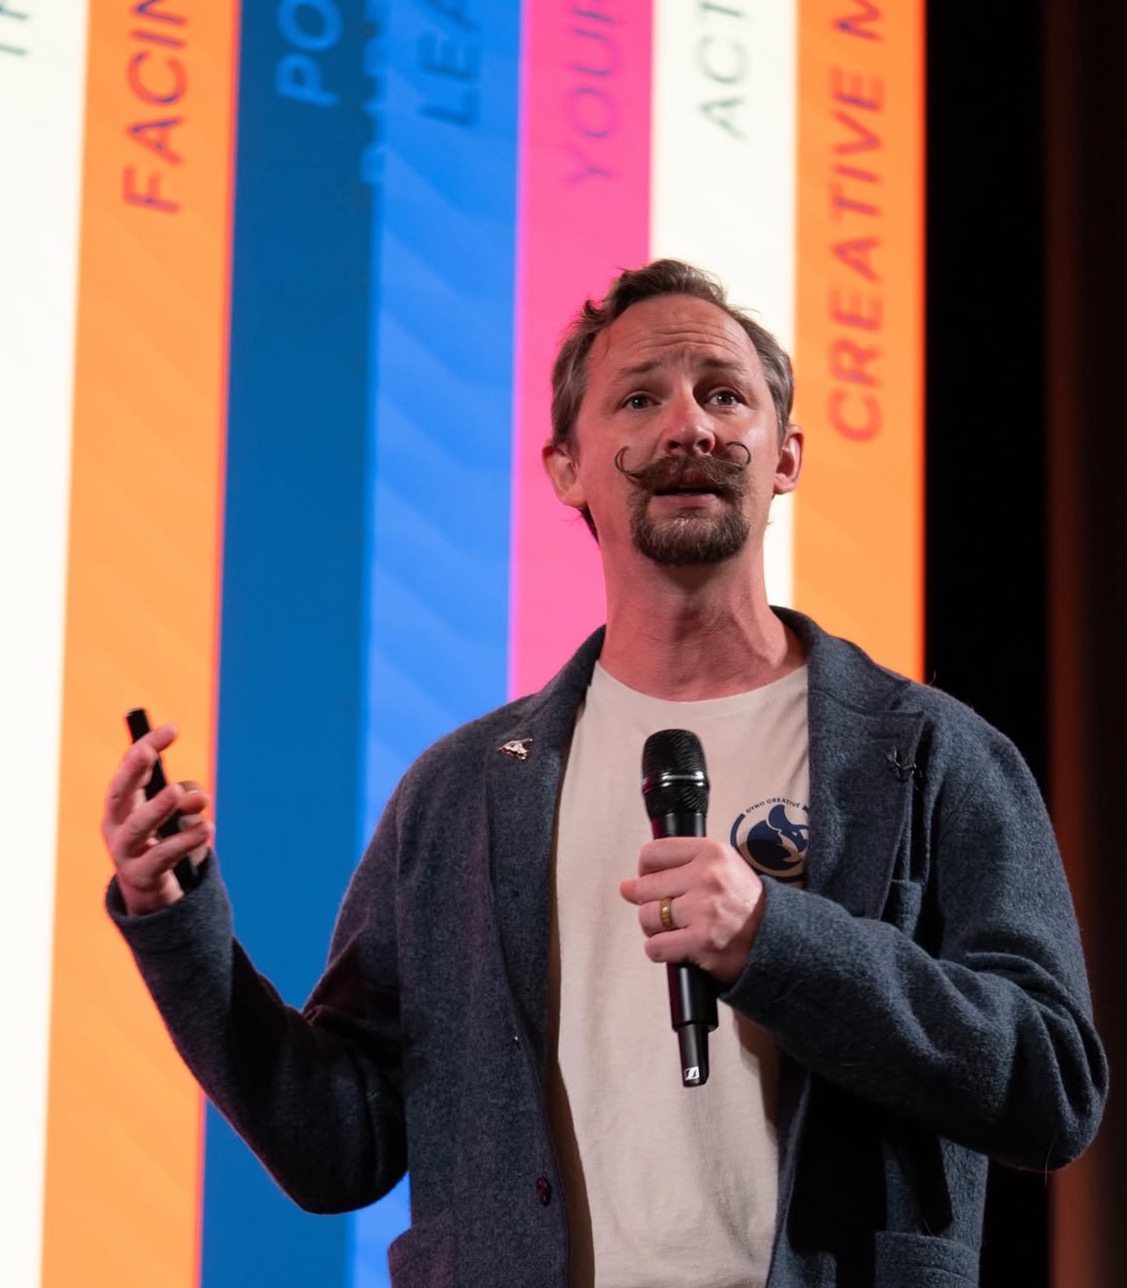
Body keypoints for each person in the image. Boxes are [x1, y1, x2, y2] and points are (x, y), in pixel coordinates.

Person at [103, 260, 1107, 1287]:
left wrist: (778, 939)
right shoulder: (460, 795)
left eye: (724, 394)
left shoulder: (927, 754)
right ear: (566, 467)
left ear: (785, 456)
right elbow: (337, 1146)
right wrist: (177, 924)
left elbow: (1051, 1087)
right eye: (638, 398)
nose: (687, 427)